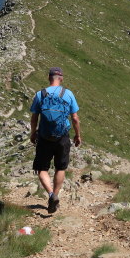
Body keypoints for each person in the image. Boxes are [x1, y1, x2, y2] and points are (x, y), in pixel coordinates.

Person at [30, 67, 81, 213]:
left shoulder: (40, 94)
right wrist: (77, 135)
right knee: (60, 168)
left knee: (42, 169)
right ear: (61, 78)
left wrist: (33, 134)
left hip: (44, 136)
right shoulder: (68, 94)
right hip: (62, 136)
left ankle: (51, 194)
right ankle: (56, 195)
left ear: (48, 77)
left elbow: (34, 118)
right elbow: (75, 118)